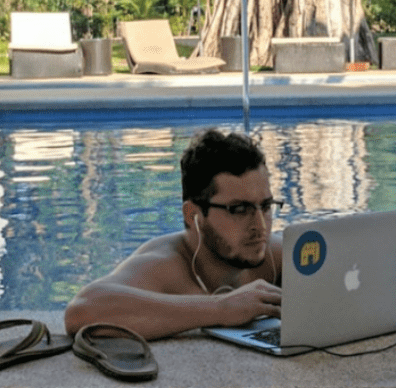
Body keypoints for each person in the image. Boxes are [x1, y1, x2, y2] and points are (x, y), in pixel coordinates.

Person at [64, 128, 283, 340]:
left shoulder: (274, 256)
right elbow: (82, 311)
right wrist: (222, 308)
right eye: (239, 209)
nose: (260, 226)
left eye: (265, 206)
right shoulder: (164, 266)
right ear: (193, 214)